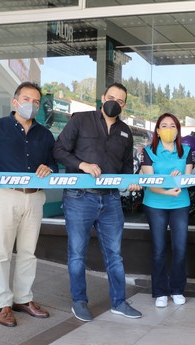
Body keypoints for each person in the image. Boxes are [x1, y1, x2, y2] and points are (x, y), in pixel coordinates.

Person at [53, 82, 143, 322]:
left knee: (115, 254)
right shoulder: (81, 120)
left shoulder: (125, 132)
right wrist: (82, 165)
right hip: (79, 197)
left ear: (124, 106)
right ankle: (79, 301)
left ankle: (119, 302)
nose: (115, 103)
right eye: (111, 97)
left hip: (111, 199)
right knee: (77, 253)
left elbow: (126, 167)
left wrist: (130, 183)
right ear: (103, 98)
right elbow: (59, 150)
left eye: (120, 101)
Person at [0, 81, 57, 327]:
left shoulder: (45, 134)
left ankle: (23, 298)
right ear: (15, 101)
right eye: (26, 99)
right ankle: (2, 304)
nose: (31, 104)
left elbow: (53, 164)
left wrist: (49, 168)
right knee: (1, 253)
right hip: (5, 196)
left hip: (35, 198)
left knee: (28, 253)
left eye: (36, 101)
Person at [140, 113, 193, 308]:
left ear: (178, 130)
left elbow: (188, 180)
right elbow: (149, 182)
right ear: (158, 130)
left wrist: (178, 180)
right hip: (155, 204)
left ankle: (177, 289)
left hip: (180, 204)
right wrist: (167, 189)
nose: (169, 129)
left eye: (173, 126)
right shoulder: (149, 151)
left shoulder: (186, 151)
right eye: (164, 125)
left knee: (180, 248)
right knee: (159, 249)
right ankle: (160, 291)